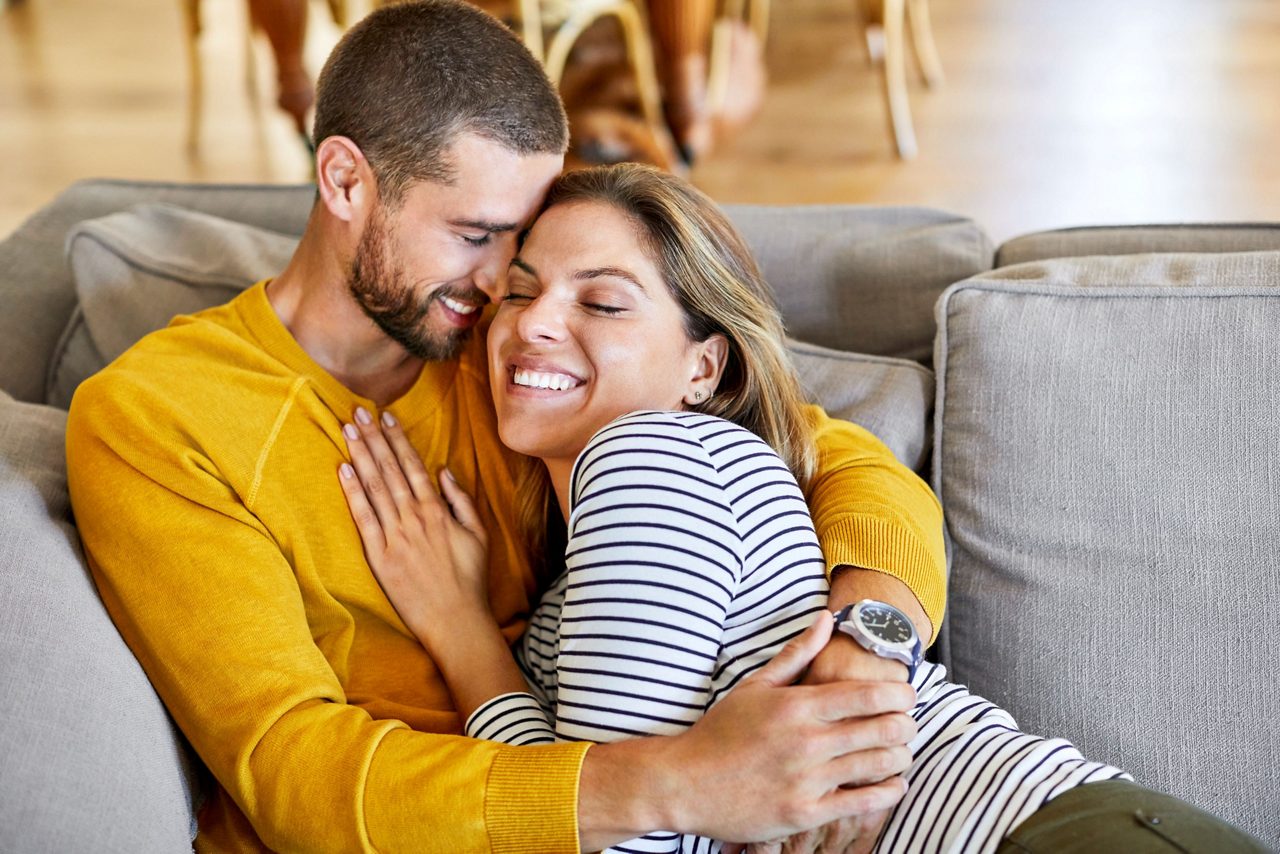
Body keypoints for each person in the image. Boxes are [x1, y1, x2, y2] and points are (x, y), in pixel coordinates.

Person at [66, 2, 946, 850]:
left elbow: (834, 455)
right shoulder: (159, 417)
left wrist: (868, 646)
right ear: (344, 180)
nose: (504, 290)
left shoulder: (516, 360)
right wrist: (675, 783)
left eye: (517, 246)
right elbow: (296, 770)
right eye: (474, 234)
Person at [335, 163, 1271, 854]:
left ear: (704, 366)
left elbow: (613, 829)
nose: (532, 323)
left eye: (605, 304)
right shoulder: (618, 524)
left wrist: (464, 640)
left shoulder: (645, 456)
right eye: (522, 291)